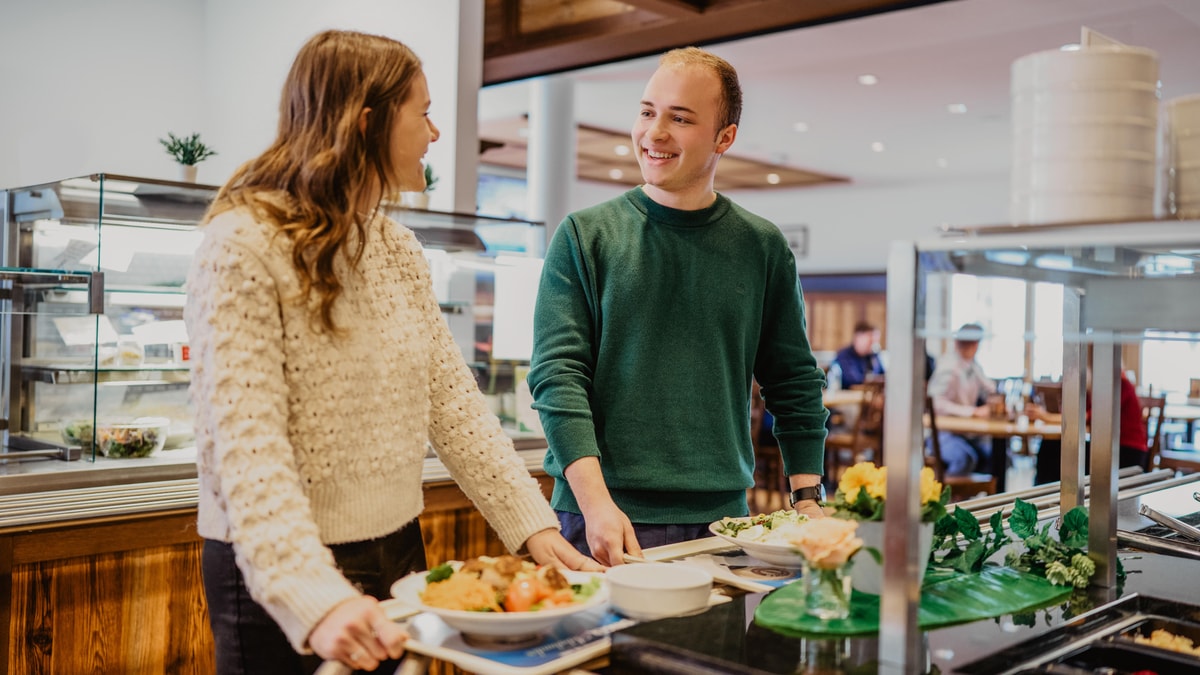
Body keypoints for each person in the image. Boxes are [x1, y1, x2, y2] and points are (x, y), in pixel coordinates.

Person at [184, 30, 599, 675]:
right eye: (424, 112)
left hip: (397, 550)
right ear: (369, 121)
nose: (436, 133)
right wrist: (315, 600)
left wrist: (532, 525)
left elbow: (454, 404)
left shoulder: (398, 249)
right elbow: (248, 455)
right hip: (276, 568)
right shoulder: (242, 244)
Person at [527, 46, 829, 567]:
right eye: (647, 111)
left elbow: (794, 379)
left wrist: (807, 497)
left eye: (680, 118)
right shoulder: (584, 235)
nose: (654, 132)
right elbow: (557, 377)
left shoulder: (762, 246)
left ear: (724, 137)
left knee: (711, 652)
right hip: (598, 515)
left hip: (720, 520)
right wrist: (596, 503)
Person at [1025, 358, 1148, 485]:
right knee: (1053, 448)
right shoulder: (1108, 385)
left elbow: (1086, 418)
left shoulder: (1120, 384)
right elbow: (1084, 415)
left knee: (1053, 449)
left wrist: (1046, 416)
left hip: (1126, 453)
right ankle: (1051, 493)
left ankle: (1049, 494)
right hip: (1112, 449)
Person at [927, 323, 995, 476]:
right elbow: (935, 402)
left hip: (966, 432)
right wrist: (972, 412)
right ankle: (948, 497)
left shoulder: (973, 365)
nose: (975, 347)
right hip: (943, 434)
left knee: (993, 455)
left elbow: (989, 389)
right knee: (965, 458)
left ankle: (972, 496)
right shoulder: (948, 367)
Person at [826, 321, 885, 391]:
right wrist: (875, 380)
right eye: (870, 340)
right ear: (858, 337)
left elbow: (884, 376)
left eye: (876, 341)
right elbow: (853, 381)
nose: (874, 344)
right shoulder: (844, 356)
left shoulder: (873, 356)